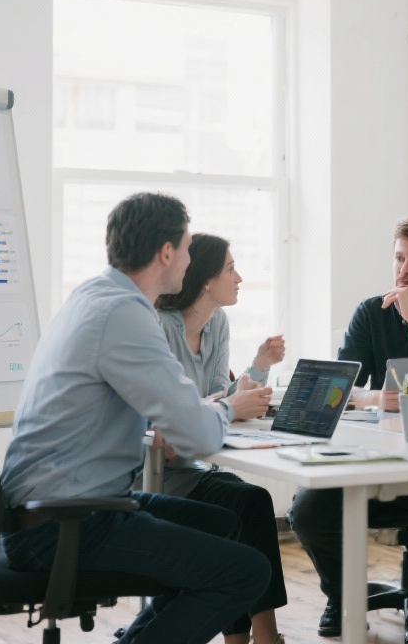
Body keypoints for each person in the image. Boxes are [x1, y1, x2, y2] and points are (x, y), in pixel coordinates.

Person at [0, 192, 270, 644]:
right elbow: (200, 436)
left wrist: (198, 411)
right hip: (64, 523)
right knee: (246, 573)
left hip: (55, 507)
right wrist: (226, 407)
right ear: (167, 253)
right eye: (185, 248)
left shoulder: (94, 295)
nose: (188, 258)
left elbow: (173, 413)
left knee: (221, 523)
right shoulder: (123, 314)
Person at [288, 215, 408, 644]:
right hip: (377, 458)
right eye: (399, 258)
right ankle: (344, 597)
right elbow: (346, 389)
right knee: (306, 511)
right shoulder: (369, 312)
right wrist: (377, 397)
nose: (404, 270)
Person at [136, 233, 288, 644]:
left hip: (195, 464)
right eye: (230, 269)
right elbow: (174, 414)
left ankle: (257, 635)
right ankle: (256, 636)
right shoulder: (160, 328)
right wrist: (223, 405)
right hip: (156, 473)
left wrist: (258, 365)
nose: (239, 278)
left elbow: (222, 395)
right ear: (205, 280)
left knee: (250, 502)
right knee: (247, 505)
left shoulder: (217, 323)